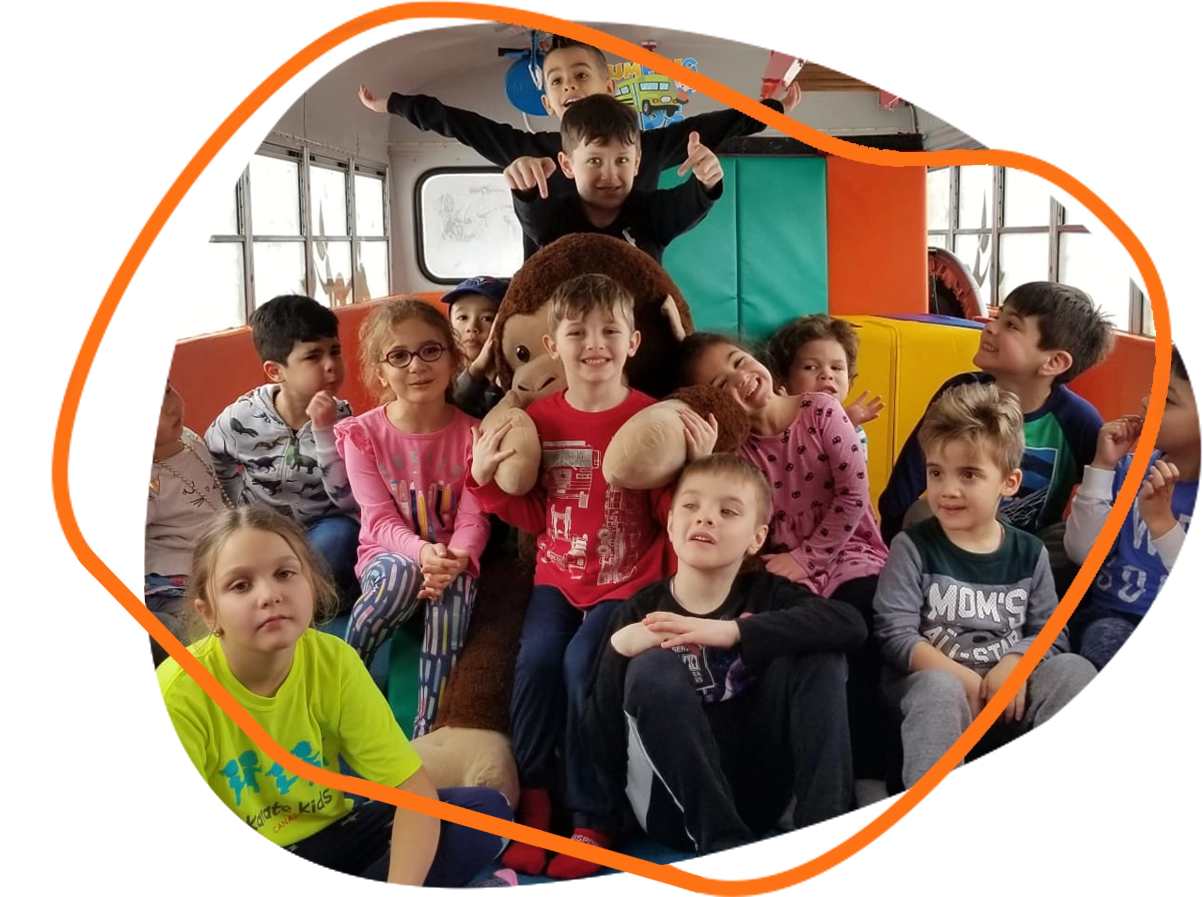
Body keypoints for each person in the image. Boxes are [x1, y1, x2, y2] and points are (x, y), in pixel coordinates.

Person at [467, 273, 716, 878]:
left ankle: (592, 814)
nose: (594, 344)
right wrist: (484, 482)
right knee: (535, 662)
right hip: (557, 576)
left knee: (585, 665)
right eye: (577, 333)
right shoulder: (539, 420)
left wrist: (696, 470)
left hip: (628, 582)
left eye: (610, 331)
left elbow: (668, 514)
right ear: (552, 345)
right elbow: (534, 512)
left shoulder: (650, 418)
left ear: (633, 342)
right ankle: (533, 801)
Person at [156, 507, 511, 886]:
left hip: (331, 834)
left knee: (484, 811)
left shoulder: (334, 660)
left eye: (285, 574)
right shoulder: (179, 691)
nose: (270, 595)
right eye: (240, 586)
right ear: (208, 613)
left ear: (311, 584)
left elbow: (412, 791)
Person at [586, 454, 865, 854]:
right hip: (673, 810)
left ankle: (825, 838)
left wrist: (733, 631)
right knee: (652, 667)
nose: (705, 518)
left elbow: (850, 625)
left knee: (818, 653)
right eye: (691, 506)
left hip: (760, 797)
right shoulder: (641, 610)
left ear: (756, 538)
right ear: (671, 523)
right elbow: (599, 735)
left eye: (728, 511)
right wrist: (617, 651)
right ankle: (724, 846)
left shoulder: (769, 595)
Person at [357, 36, 800, 257]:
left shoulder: (644, 145)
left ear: (609, 87)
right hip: (555, 296)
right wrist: (393, 104)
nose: (569, 85)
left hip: (629, 286)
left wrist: (773, 110)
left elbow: (714, 126)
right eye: (557, 81)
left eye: (581, 75)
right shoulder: (529, 149)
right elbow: (459, 124)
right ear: (548, 103)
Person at [677, 331, 890, 788]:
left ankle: (870, 772)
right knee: (795, 651)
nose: (739, 377)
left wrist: (808, 558)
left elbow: (853, 496)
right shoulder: (738, 452)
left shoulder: (820, 410)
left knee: (862, 624)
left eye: (739, 361)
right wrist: (703, 458)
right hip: (782, 566)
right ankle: (790, 778)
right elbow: (729, 511)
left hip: (848, 551)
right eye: (722, 383)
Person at [873, 382, 1096, 789]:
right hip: (937, 697)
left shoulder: (1030, 553)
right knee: (939, 689)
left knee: (1074, 670)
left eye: (969, 474)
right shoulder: (912, 547)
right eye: (936, 473)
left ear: (1009, 482)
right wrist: (966, 680)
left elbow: (1051, 631)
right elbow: (894, 634)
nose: (948, 490)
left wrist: (1014, 665)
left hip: (1010, 698)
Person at [334, 299, 491, 737]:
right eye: (399, 356)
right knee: (402, 574)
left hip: (452, 559)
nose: (417, 366)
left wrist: (454, 559)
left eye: (430, 350)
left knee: (454, 591)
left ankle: (427, 729)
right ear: (381, 372)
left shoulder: (474, 433)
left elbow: (475, 516)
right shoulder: (362, 435)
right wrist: (424, 554)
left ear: (453, 357)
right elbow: (379, 521)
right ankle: (343, 681)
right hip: (390, 555)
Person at [878, 281, 1114, 544]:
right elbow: (911, 474)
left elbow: (1103, 498)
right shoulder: (961, 393)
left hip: (1030, 549)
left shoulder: (1078, 421)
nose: (990, 327)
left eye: (1011, 325)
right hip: (960, 539)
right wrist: (892, 543)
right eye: (997, 317)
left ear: (1054, 362)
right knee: (921, 515)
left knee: (1065, 541)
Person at [203, 294, 360, 607]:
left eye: (335, 351)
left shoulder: (343, 419)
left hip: (321, 527)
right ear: (276, 371)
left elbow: (347, 498)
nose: (331, 365)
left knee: (341, 538)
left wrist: (324, 432)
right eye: (313, 356)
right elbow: (212, 459)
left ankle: (311, 602)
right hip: (261, 528)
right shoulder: (241, 417)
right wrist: (234, 506)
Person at [1065, 345, 1198, 669]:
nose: (1147, 402)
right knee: (1106, 639)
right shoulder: (1129, 470)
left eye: (1167, 400)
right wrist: (1103, 466)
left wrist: (1162, 524)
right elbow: (1082, 553)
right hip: (1113, 615)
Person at [503, 94, 724, 263]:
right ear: (567, 165)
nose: (610, 175)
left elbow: (688, 204)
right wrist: (525, 185)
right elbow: (533, 214)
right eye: (594, 161)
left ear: (636, 163)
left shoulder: (651, 214)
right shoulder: (554, 217)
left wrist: (707, 180)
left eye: (622, 160)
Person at [146, 380, 229, 663]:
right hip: (176, 580)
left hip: (217, 556)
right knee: (206, 641)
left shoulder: (189, 439)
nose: (170, 408)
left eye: (167, 391)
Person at [764, 314, 884, 461]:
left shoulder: (854, 430)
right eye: (810, 367)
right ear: (784, 380)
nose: (827, 375)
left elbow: (846, 471)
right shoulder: (774, 424)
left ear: (850, 381)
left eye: (836, 368)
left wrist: (842, 428)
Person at [443, 275, 508, 420]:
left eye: (487, 318)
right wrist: (476, 369)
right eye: (462, 318)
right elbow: (448, 411)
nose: (472, 327)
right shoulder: (444, 370)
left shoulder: (511, 371)